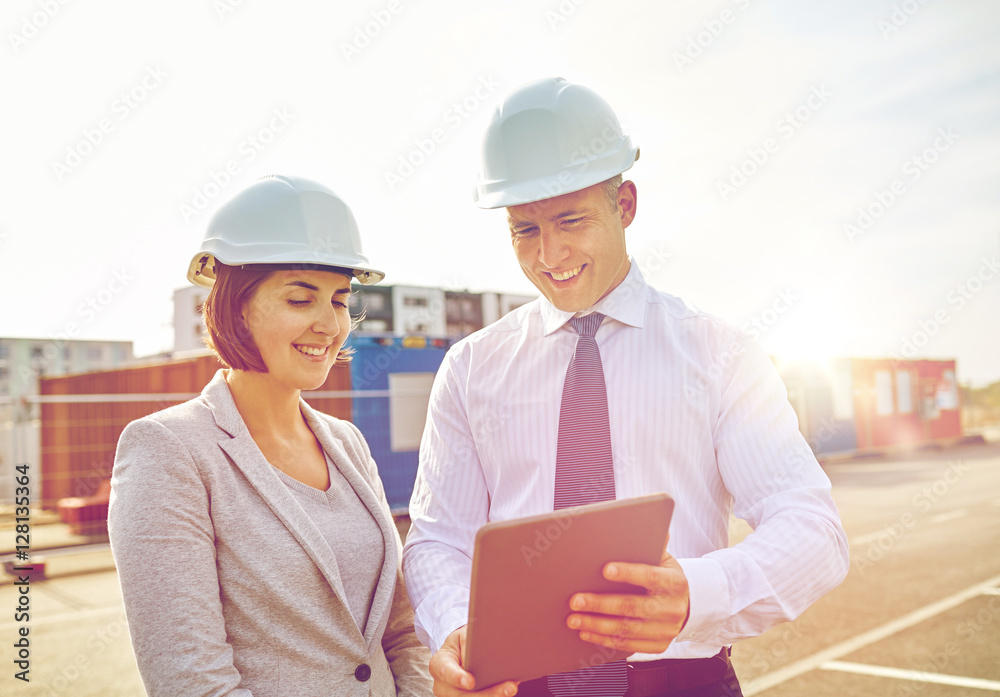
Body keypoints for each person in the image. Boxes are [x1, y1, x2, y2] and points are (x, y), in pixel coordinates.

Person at [402, 78, 850, 697]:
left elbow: (812, 530)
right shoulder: (471, 368)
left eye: (570, 220)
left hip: (681, 681)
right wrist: (457, 629)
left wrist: (695, 592)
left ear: (627, 204)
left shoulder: (720, 353)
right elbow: (437, 540)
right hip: (515, 685)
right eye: (523, 230)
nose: (549, 254)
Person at [108, 175, 434, 697]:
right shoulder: (168, 450)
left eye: (337, 301)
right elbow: (191, 679)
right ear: (237, 306)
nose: (329, 325)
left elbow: (401, 632)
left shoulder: (347, 443)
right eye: (300, 300)